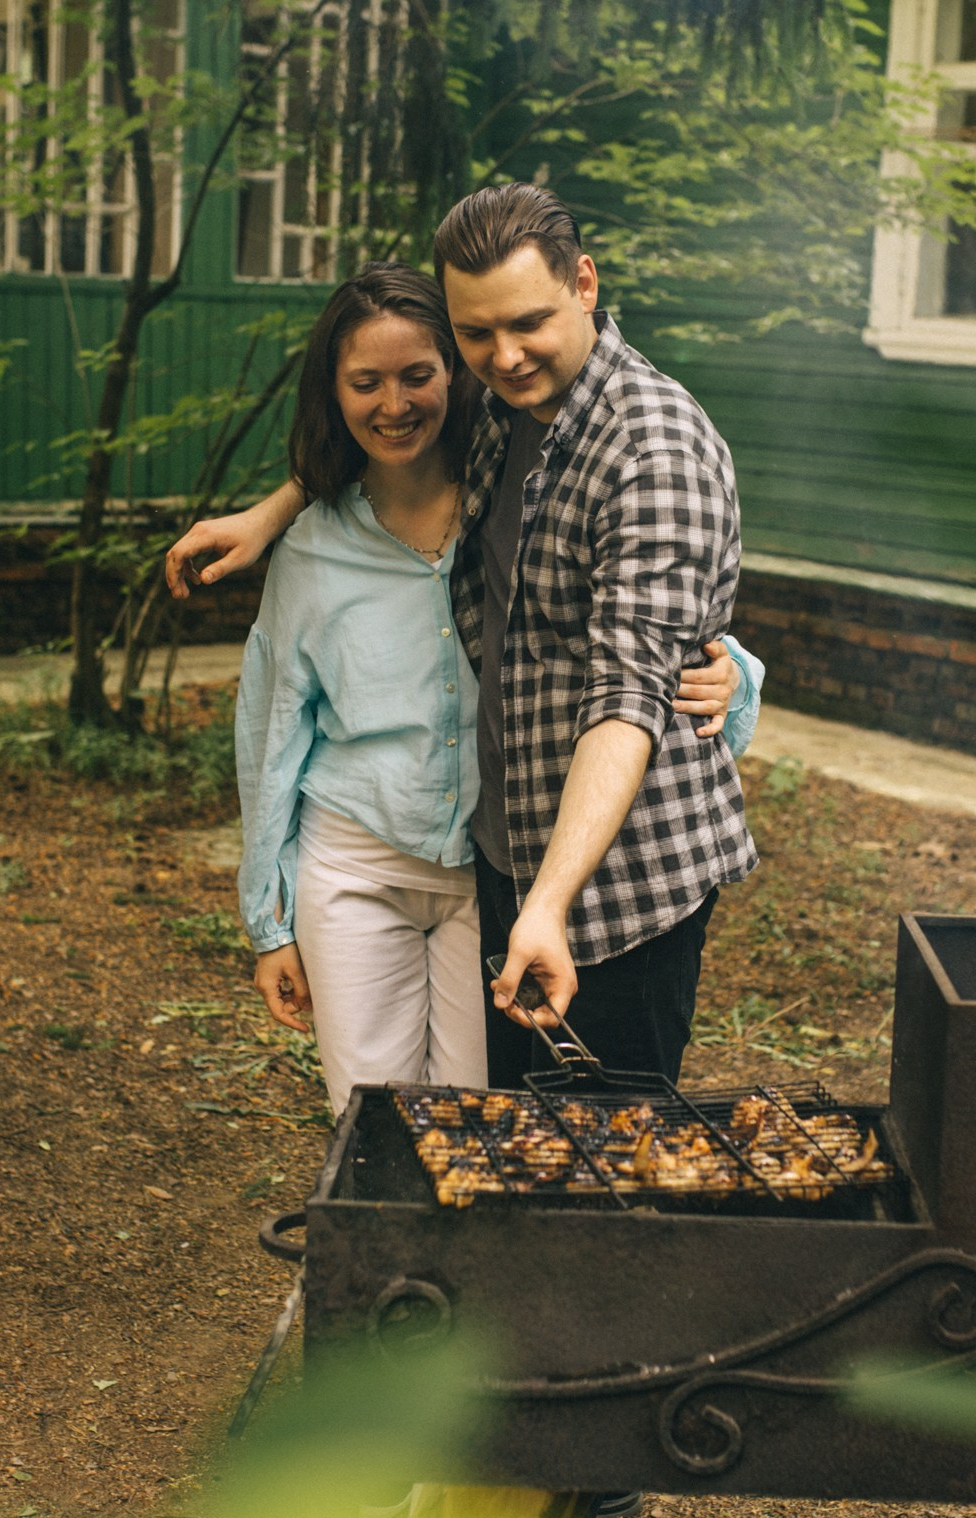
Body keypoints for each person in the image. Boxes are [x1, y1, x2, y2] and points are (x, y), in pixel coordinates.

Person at [174, 184, 757, 1093]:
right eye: (477, 334)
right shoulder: (506, 414)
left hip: (619, 889)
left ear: (586, 284)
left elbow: (629, 692)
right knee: (501, 1151)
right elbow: (378, 426)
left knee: (598, 1167)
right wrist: (272, 512)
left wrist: (736, 674)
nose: (506, 354)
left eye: (527, 323)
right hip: (507, 864)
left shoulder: (653, 449)